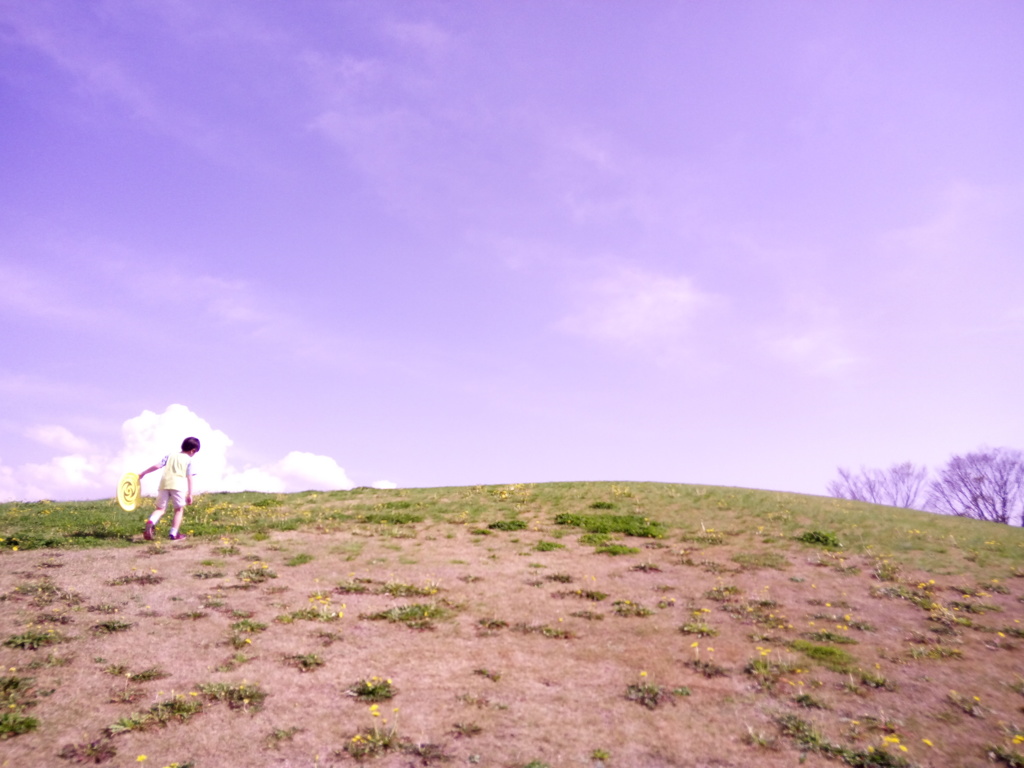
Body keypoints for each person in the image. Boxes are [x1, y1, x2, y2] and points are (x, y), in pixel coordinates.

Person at [139, 437, 200, 541]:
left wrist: (143, 473)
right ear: (193, 450)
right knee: (178, 510)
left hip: (164, 485)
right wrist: (190, 494)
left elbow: (157, 466)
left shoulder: (170, 455)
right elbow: (189, 477)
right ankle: (173, 534)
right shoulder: (189, 460)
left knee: (160, 509)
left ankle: (151, 521)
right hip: (178, 486)